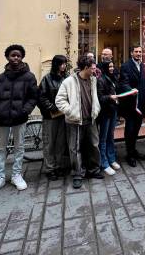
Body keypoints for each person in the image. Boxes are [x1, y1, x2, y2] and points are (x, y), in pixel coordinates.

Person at [0, 45, 38, 197]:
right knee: (0, 148)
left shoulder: (29, 77)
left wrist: (25, 110)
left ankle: (17, 175)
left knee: (19, 147)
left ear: (22, 57)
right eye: (13, 55)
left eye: (18, 55)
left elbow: (33, 97)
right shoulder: (1, 79)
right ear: (8, 57)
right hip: (1, 119)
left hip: (19, 118)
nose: (16, 58)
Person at [55, 55, 102, 189]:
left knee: (94, 145)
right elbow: (59, 100)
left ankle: (94, 170)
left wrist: (96, 109)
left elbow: (95, 98)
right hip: (75, 121)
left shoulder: (93, 80)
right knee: (75, 149)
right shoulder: (69, 81)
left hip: (90, 119)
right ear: (86, 68)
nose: (95, 70)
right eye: (92, 68)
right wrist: (71, 111)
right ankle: (77, 174)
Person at [38, 55, 69, 181]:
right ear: (56, 64)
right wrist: (51, 107)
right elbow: (41, 97)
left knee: (60, 143)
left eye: (65, 63)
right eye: (61, 63)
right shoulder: (47, 79)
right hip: (51, 116)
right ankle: (50, 168)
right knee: (49, 143)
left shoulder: (67, 78)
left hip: (64, 115)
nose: (64, 66)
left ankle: (59, 166)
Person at [119, 46, 145, 167]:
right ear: (131, 53)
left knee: (137, 128)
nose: (138, 53)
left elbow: (143, 83)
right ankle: (129, 154)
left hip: (140, 103)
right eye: (136, 52)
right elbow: (123, 83)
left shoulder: (142, 65)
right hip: (130, 104)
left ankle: (134, 150)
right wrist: (131, 90)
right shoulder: (125, 66)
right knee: (129, 130)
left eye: (140, 52)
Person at [97, 61, 121, 176]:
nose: (112, 68)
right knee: (103, 138)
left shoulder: (113, 78)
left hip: (113, 111)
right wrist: (110, 97)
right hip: (105, 113)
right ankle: (104, 162)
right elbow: (100, 97)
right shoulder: (101, 80)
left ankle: (111, 159)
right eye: (110, 66)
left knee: (110, 136)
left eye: (112, 66)